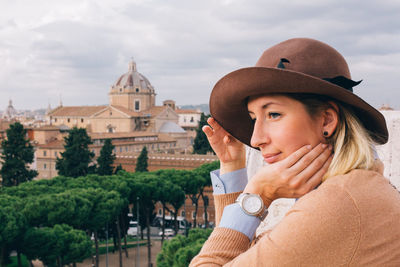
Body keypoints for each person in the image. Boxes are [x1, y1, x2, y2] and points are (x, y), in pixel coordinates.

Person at [190, 38, 400, 266]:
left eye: (273, 115)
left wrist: (256, 195)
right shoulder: (353, 189)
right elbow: (238, 257)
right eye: (253, 119)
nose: (255, 139)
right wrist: (232, 165)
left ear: (327, 120)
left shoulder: (336, 206)